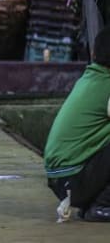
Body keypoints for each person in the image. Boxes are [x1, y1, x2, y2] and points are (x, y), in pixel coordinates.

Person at [44, 26, 110, 222]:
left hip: (62, 180)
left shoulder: (90, 78)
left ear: (93, 53)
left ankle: (96, 203)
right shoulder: (107, 85)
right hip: (74, 180)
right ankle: (102, 205)